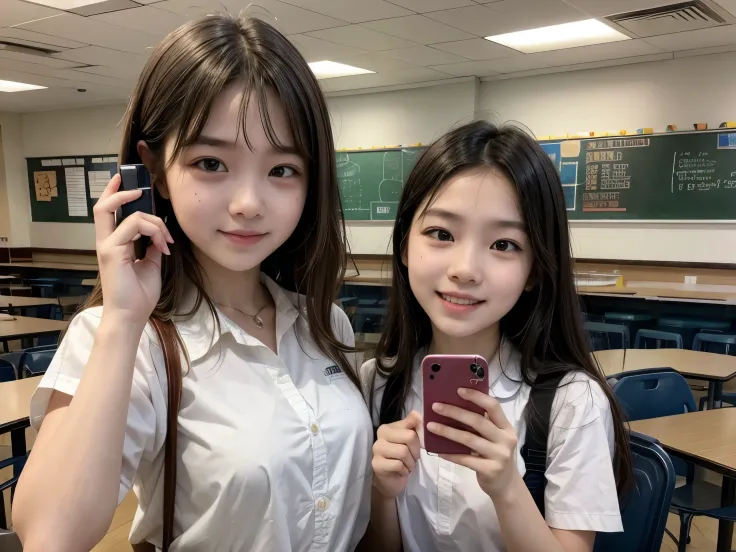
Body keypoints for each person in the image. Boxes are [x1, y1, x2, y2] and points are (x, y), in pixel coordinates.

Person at [13, 15, 372, 552]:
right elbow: (51, 536)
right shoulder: (130, 339)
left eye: (281, 171)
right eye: (211, 163)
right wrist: (122, 320)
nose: (248, 203)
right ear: (153, 171)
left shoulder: (323, 321)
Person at [362, 121, 633, 552]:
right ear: (404, 246)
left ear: (535, 270)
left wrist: (508, 486)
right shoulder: (377, 382)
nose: (466, 268)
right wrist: (381, 491)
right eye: (441, 234)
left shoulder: (571, 403)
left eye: (504, 244)